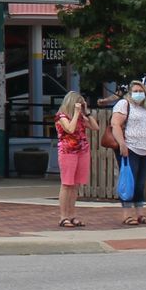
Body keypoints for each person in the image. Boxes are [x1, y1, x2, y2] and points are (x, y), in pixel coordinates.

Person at [109, 78, 146, 225]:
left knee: (140, 183)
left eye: (141, 91)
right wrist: (122, 144)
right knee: (129, 181)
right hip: (131, 148)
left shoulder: (145, 108)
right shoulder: (124, 105)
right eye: (135, 91)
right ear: (130, 93)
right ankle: (126, 214)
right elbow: (115, 124)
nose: (138, 94)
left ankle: (140, 213)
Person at [53, 91, 93, 228]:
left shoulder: (82, 116)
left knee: (75, 184)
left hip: (82, 151)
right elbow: (70, 129)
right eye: (79, 104)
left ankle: (72, 214)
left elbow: (95, 127)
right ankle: (63, 216)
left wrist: (86, 113)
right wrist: (75, 114)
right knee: (67, 184)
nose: (80, 107)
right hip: (67, 152)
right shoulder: (61, 116)